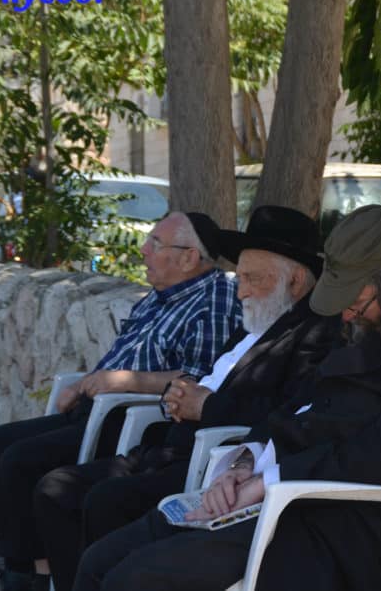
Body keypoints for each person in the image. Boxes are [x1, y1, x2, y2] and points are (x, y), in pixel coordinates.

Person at [73, 204, 381, 591]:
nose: (346, 316)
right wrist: (246, 462)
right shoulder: (372, 319)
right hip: (277, 497)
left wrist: (270, 482)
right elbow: (301, 403)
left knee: (137, 577)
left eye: (355, 303)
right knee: (98, 560)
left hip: (331, 522)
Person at [32, 205, 341, 591]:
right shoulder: (257, 317)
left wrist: (205, 406)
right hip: (170, 444)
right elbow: (211, 376)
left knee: (104, 501)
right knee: (57, 488)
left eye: (251, 279)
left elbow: (284, 412)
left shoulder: (313, 334)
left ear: (294, 281)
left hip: (215, 461)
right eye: (240, 277)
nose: (241, 290)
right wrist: (181, 396)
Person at [0, 211, 243, 591]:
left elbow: (198, 377)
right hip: (97, 406)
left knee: (23, 460)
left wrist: (127, 381)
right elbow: (120, 354)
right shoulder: (158, 297)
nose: (144, 251)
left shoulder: (213, 300)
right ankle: (24, 566)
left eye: (155, 244)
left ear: (188, 257)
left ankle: (29, 576)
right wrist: (82, 384)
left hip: (132, 416)